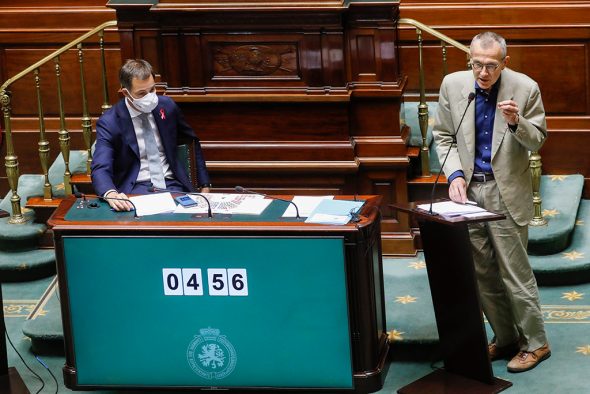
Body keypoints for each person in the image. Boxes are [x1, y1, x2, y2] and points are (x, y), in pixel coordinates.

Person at [432, 32, 550, 373]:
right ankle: (507, 337)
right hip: (468, 193)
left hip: (505, 192)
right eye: (477, 64)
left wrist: (517, 122)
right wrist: (454, 176)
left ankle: (537, 343)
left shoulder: (525, 88)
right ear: (469, 59)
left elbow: (538, 139)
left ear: (505, 63)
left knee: (515, 273)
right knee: (482, 274)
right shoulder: (453, 85)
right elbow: (443, 136)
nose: (483, 73)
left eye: (491, 66)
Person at [91, 59, 211, 211]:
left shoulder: (167, 107)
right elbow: (101, 165)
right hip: (135, 188)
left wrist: (205, 184)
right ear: (126, 93)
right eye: (141, 93)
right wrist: (111, 193)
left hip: (172, 184)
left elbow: (191, 141)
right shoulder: (110, 122)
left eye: (152, 90)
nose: (149, 97)